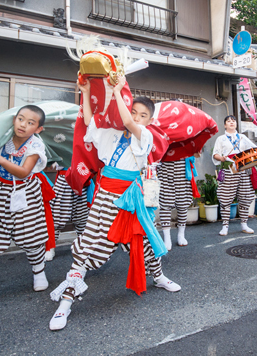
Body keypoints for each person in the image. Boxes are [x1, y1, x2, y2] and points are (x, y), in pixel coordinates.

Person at [49, 75, 180, 331]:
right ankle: (65, 303)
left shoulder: (145, 136)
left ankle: (159, 277)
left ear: (150, 120)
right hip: (104, 199)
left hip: (130, 200)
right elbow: (89, 122)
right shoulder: (112, 132)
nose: (137, 117)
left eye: (144, 115)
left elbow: (129, 123)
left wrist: (118, 91)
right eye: (135, 112)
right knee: (87, 246)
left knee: (143, 244)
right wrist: (86, 93)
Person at [0, 105, 50, 311]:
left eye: (31, 123)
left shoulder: (36, 145)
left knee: (32, 238)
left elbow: (23, 172)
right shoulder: (1, 138)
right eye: (21, 119)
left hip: (25, 194)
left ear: (38, 129)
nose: (23, 125)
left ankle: (39, 272)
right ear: (14, 119)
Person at [212, 115, 257, 236]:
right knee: (225, 197)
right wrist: (221, 158)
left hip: (243, 168)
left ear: (236, 124)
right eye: (228, 121)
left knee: (245, 196)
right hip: (228, 168)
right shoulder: (221, 139)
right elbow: (215, 154)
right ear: (225, 125)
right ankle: (225, 226)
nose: (231, 122)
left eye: (233, 121)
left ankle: (244, 224)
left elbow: (254, 149)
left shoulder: (242, 137)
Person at [45, 164, 90, 261]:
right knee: (56, 217)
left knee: (82, 218)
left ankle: (84, 246)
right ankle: (50, 247)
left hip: (81, 177)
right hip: (64, 177)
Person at [158, 152, 201, 250]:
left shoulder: (187, 137)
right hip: (165, 168)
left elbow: (198, 154)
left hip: (182, 170)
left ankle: (181, 235)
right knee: (165, 203)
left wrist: (196, 152)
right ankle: (167, 238)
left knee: (183, 203)